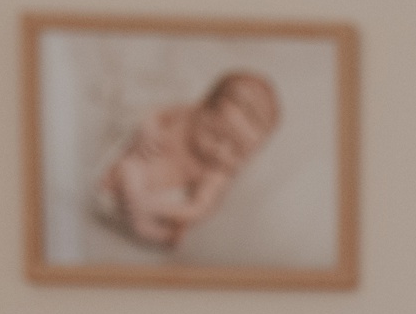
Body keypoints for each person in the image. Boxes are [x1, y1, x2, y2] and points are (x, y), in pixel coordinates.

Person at [97, 70, 281, 249]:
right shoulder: (186, 115)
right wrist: (148, 130)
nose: (221, 151)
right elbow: (155, 115)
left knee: (174, 208)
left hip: (162, 203)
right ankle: (124, 206)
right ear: (202, 110)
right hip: (134, 176)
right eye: (215, 135)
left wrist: (154, 205)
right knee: (129, 167)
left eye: (238, 152)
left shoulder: (216, 172)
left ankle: (147, 226)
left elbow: (199, 208)